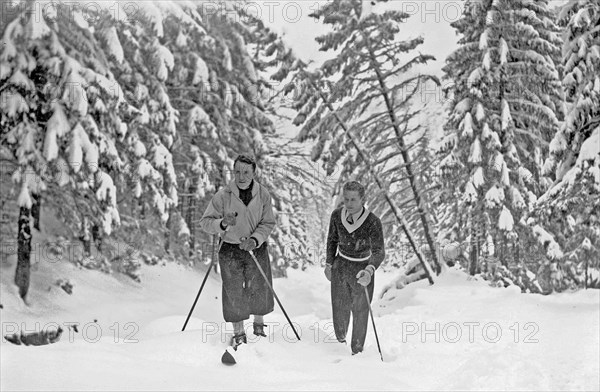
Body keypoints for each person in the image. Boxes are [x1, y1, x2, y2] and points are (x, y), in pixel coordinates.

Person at [199, 155, 276, 349]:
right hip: (230, 248)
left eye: (246, 172)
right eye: (238, 172)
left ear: (253, 173)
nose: (241, 176)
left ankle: (259, 328)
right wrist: (223, 223)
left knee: (260, 286)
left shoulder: (263, 194)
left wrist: (255, 239)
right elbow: (206, 222)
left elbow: (268, 222)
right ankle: (239, 333)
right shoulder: (223, 195)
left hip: (255, 247)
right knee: (233, 290)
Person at [324, 181, 385, 355]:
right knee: (340, 307)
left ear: (362, 200)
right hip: (341, 266)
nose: (349, 204)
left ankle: (357, 352)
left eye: (353, 200)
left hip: (362, 269)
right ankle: (339, 346)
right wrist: (329, 263)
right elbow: (332, 240)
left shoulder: (373, 222)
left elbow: (379, 250)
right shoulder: (337, 216)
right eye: (346, 199)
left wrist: (370, 270)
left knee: (360, 311)